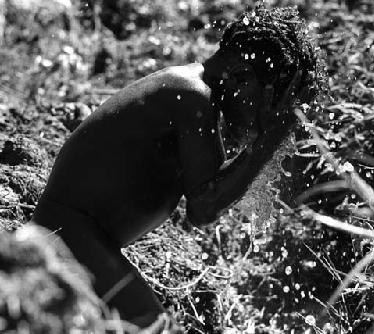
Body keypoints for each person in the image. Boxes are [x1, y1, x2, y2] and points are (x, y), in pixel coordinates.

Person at [31, 6, 322, 328]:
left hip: (79, 234)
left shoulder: (198, 99)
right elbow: (204, 206)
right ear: (241, 74)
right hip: (67, 229)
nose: (259, 118)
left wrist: (265, 140)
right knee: (150, 323)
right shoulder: (191, 96)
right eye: (268, 101)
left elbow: (206, 203)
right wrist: (270, 138)